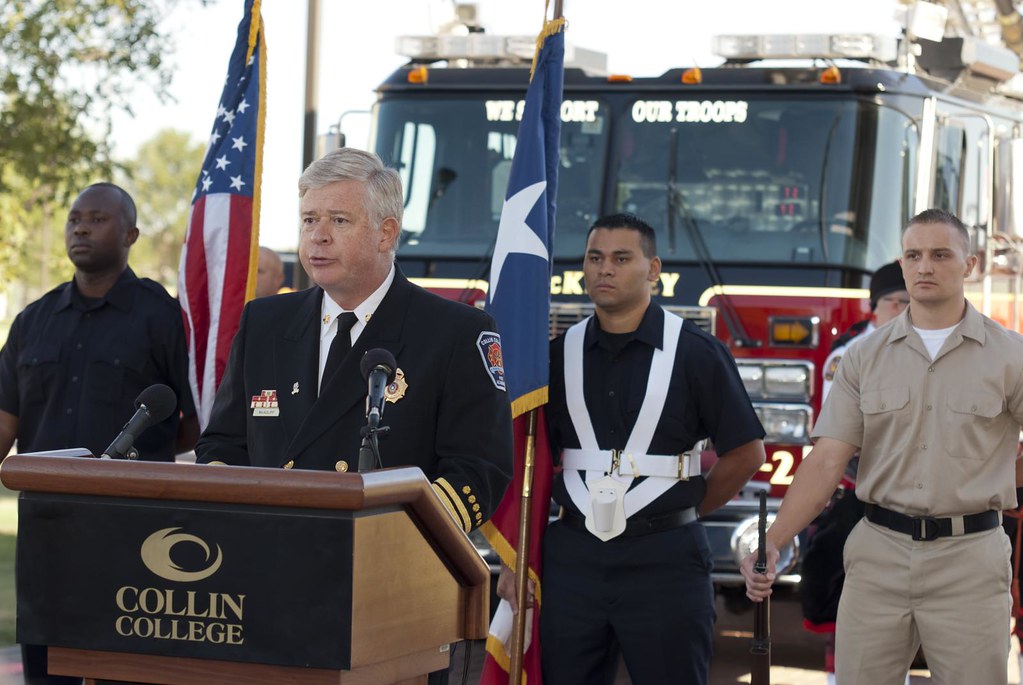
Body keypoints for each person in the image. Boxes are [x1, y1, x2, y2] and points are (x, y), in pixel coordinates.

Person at [743, 208, 1023, 684]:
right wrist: (772, 541)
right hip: (878, 555)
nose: (925, 267)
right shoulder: (862, 357)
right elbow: (827, 459)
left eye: (940, 255)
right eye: (913, 256)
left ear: (970, 265)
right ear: (902, 263)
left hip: (970, 560)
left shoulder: (1010, 355)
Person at [501, 213, 765, 685]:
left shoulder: (697, 354)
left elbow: (746, 454)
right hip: (573, 560)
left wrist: (681, 508)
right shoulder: (556, 359)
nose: (605, 269)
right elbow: (531, 461)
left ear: (653, 269)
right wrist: (513, 558)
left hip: (666, 559)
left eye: (621, 258)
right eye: (595, 258)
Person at [195, 146, 513, 534]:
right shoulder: (265, 321)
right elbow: (223, 446)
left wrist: (399, 538)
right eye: (309, 220)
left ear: (386, 233)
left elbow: (478, 469)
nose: (318, 236)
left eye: (339, 221)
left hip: (383, 564)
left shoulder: (455, 331)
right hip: (270, 553)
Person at [0, 182, 198, 684]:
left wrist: (143, 462)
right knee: (46, 668)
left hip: (135, 531)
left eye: (97, 219)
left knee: (123, 670)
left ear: (131, 233)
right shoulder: (33, 320)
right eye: (74, 219)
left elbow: (194, 420)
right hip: (47, 529)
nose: (81, 227)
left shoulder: (162, 316)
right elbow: (6, 420)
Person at [801, 260, 908, 684]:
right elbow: (840, 436)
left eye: (908, 301)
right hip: (859, 488)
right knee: (844, 596)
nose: (902, 310)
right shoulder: (848, 356)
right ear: (874, 307)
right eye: (894, 302)